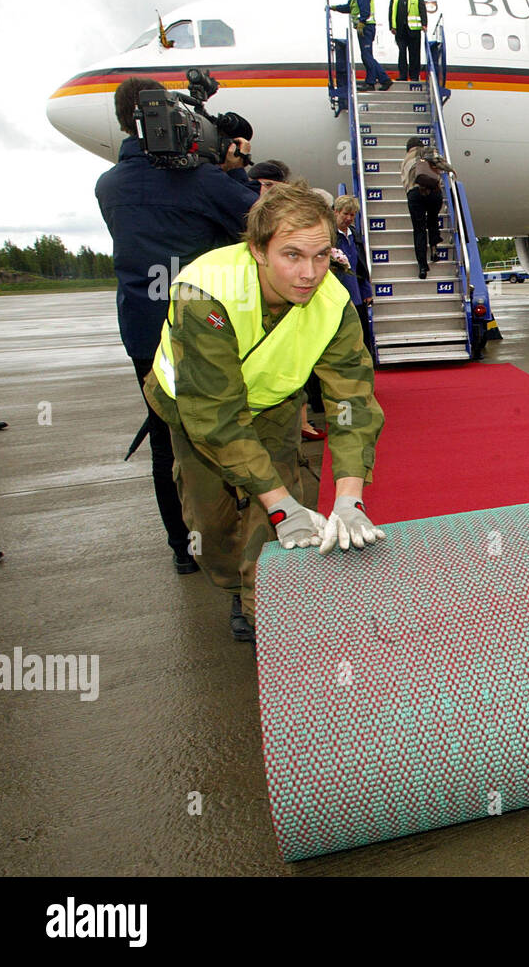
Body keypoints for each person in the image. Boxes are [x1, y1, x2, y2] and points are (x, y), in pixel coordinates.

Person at [144, 182, 387, 643]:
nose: (309, 273)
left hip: (273, 408)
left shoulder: (334, 302)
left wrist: (349, 495)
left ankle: (266, 610)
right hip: (196, 410)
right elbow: (216, 417)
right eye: (292, 255)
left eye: (320, 256)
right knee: (210, 525)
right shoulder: (205, 292)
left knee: (277, 524)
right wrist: (279, 503)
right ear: (257, 249)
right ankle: (233, 584)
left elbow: (351, 403)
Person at [95, 76, 258, 575]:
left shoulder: (109, 184)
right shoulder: (202, 180)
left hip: (145, 333)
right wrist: (230, 169)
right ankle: (236, 550)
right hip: (203, 328)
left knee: (167, 442)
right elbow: (261, 222)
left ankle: (182, 548)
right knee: (229, 430)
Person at [401, 138, 455, 280]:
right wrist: (451, 170)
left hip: (414, 194)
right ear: (419, 145)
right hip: (432, 191)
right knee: (432, 219)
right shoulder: (426, 151)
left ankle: (422, 266)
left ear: (408, 149)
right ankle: (434, 250)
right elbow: (440, 162)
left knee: (419, 229)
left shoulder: (404, 161)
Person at [331, 0, 392, 92]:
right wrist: (335, 8)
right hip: (363, 27)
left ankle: (375, 81)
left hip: (366, 26)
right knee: (367, 55)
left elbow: (365, 8)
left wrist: (362, 22)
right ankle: (381, 80)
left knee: (366, 55)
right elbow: (348, 7)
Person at [333, 194, 375, 354]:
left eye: (352, 215)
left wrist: (366, 291)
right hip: (337, 296)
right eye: (345, 214)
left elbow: (361, 267)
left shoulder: (355, 236)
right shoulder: (328, 235)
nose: (349, 218)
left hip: (356, 296)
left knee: (361, 335)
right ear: (336, 212)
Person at [389, 0, 428, 82]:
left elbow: (422, 10)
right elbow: (391, 11)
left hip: (413, 30)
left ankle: (414, 76)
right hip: (400, 30)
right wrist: (391, 26)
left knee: (414, 54)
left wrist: (424, 24)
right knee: (402, 53)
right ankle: (402, 75)